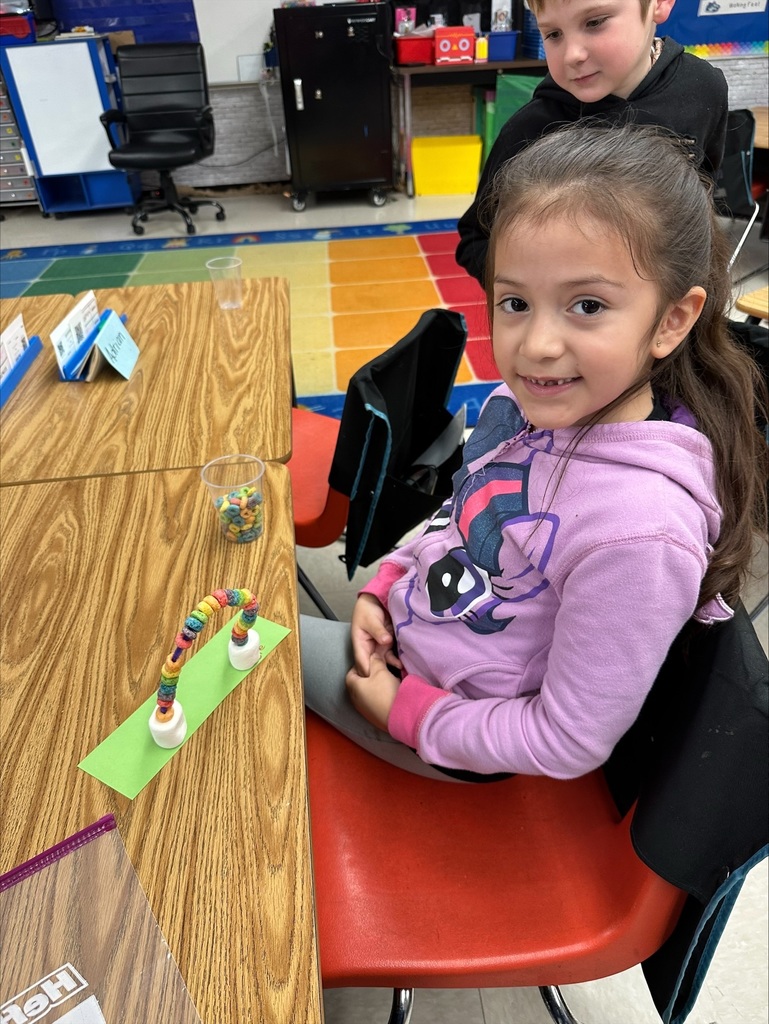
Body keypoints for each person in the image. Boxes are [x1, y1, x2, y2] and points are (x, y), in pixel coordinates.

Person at [300, 122, 768, 784]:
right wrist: (383, 584)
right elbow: (460, 519)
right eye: (515, 302)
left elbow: (567, 741)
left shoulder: (637, 533)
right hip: (415, 631)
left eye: (585, 304)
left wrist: (407, 713)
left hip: (456, 718)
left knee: (257, 654)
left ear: (671, 319)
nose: (536, 345)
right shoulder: (538, 404)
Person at [455, 0, 729, 286]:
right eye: (554, 34)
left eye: (595, 22)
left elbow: (701, 201)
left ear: (659, 4)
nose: (572, 55)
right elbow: (476, 238)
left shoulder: (705, 88)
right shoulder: (532, 129)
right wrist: (530, 293)